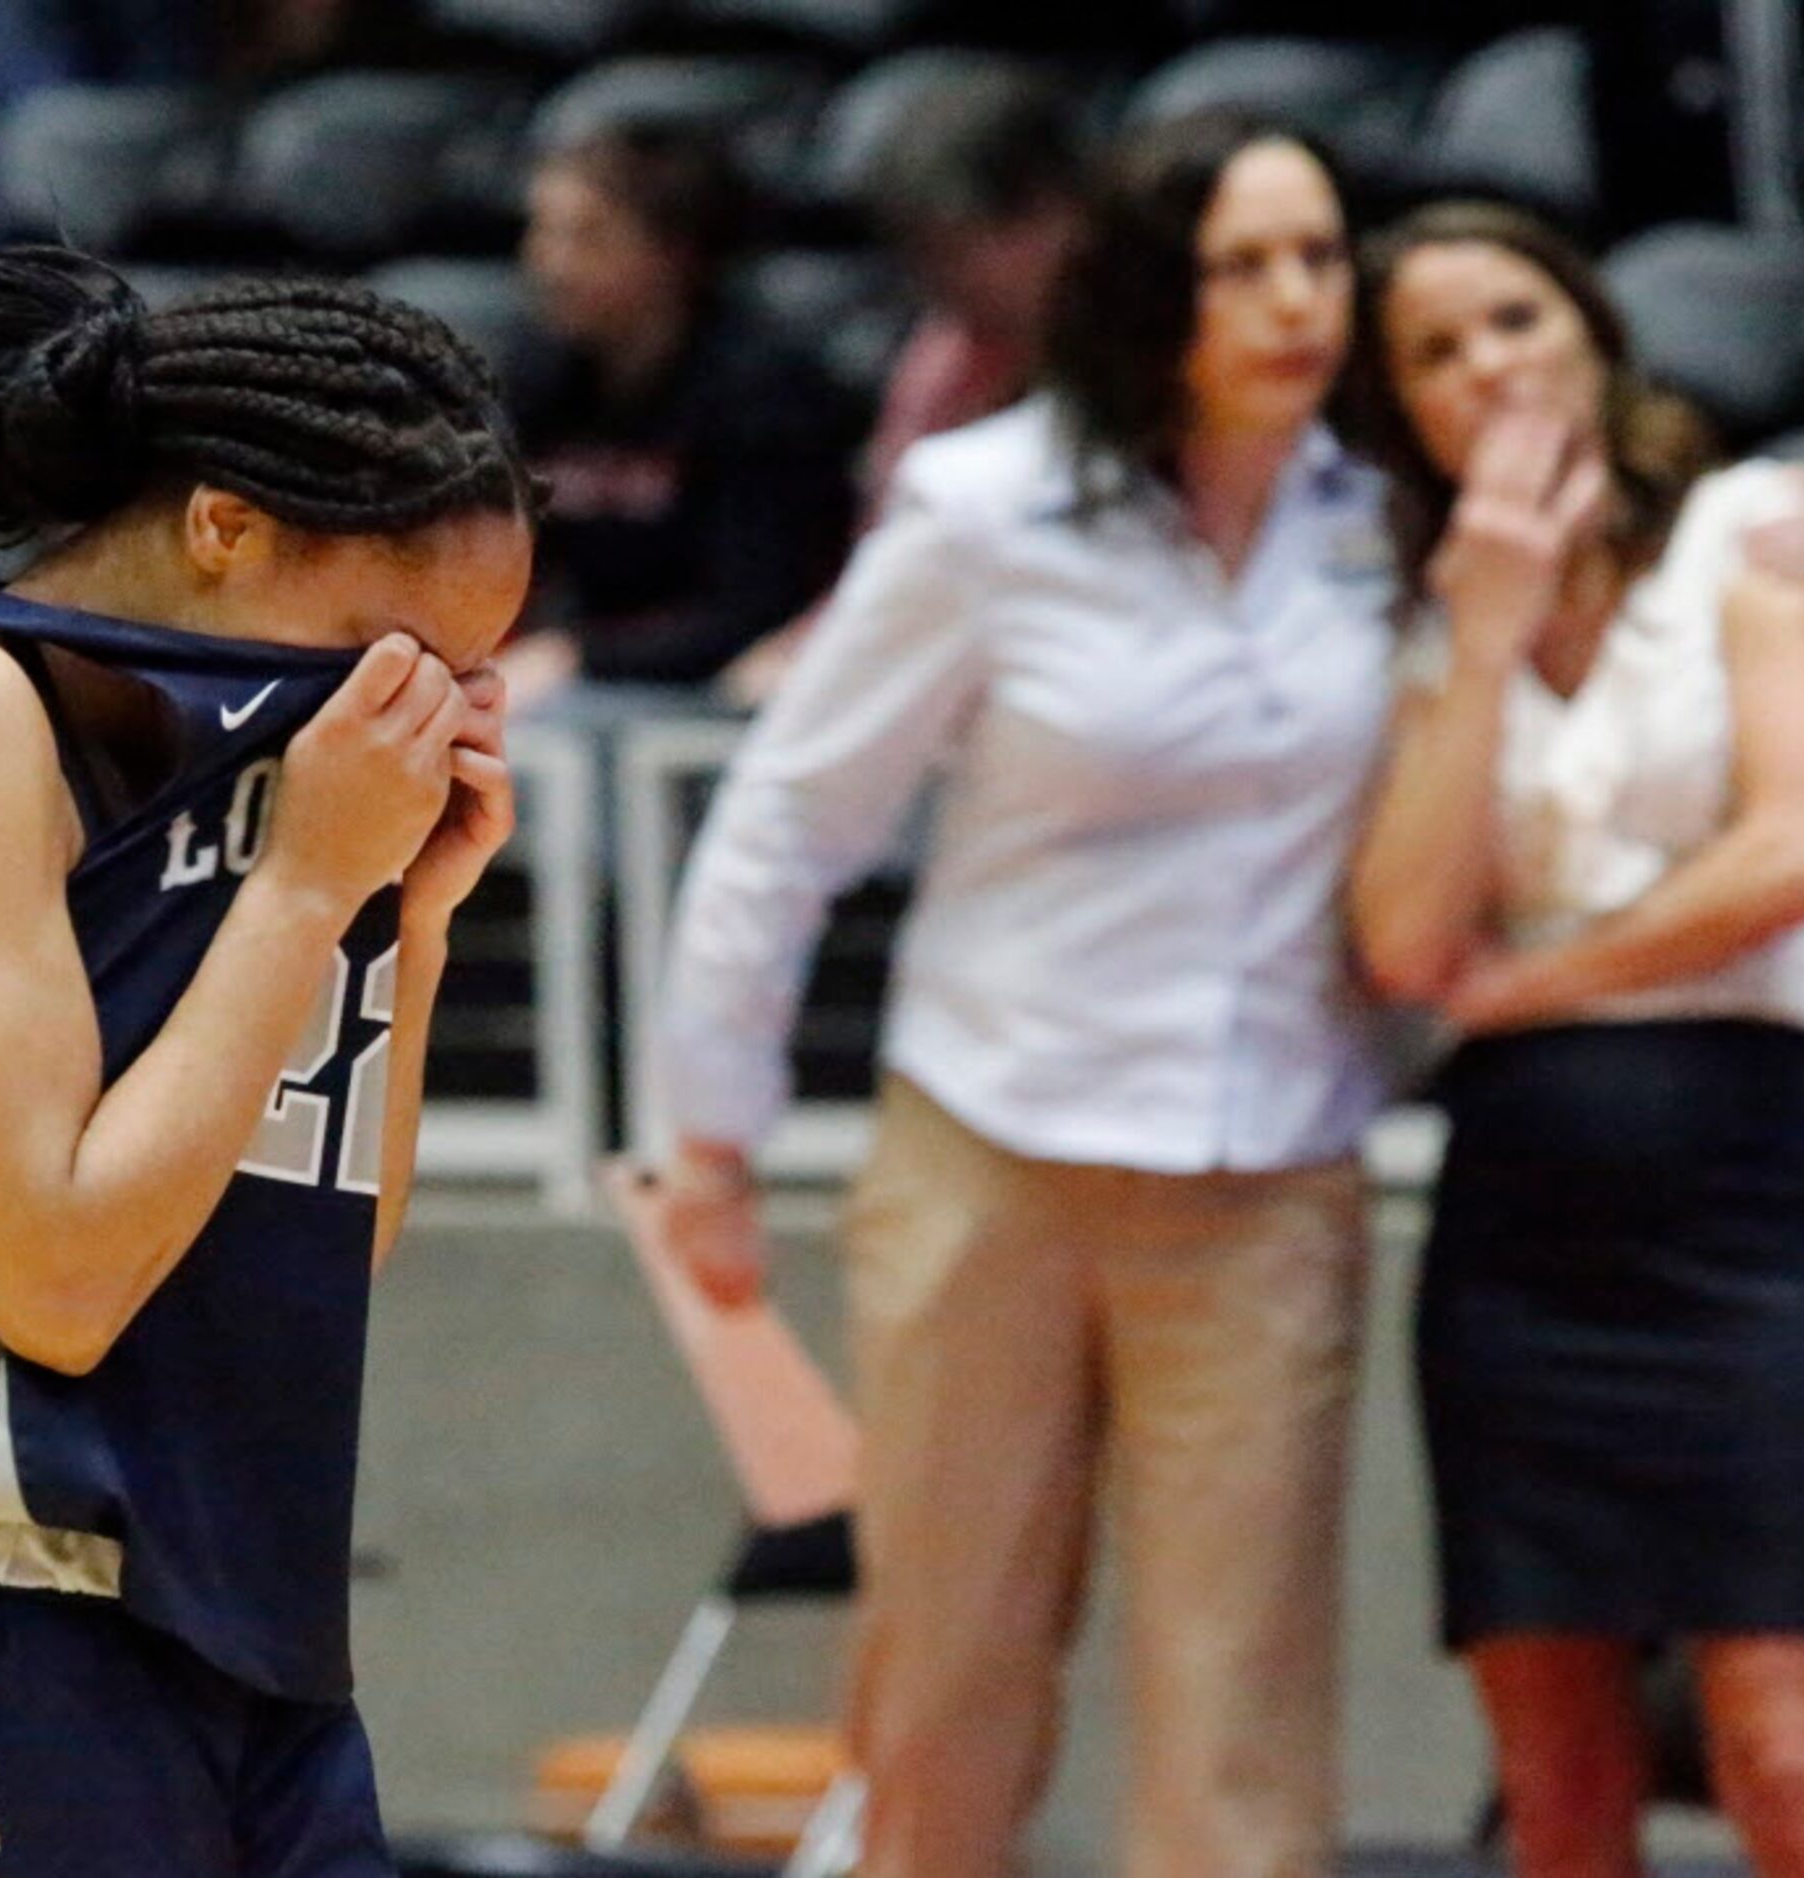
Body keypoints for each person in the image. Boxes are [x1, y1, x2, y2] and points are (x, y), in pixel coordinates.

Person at [652, 112, 1394, 1877]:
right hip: (991, 1154)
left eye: (1320, 256)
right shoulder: (985, 506)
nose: (1297, 301)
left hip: (1274, 1172)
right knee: (944, 1685)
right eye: (1242, 264)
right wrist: (713, 1134)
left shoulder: (1382, 512)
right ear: (1147, 289)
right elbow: (787, 818)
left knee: (1243, 1709)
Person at [0, 246, 532, 1876]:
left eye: (462, 672)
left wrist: (418, 912)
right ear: (223, 529)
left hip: (259, 1631)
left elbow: (311, 1240)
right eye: (392, 649)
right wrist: (312, 884)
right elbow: (59, 1276)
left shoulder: (284, 769)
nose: (420, 707)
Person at [1344, 199, 1804, 1878]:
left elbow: (1790, 857)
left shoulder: (1762, 528)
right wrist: (1495, 612)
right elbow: (1402, 937)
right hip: (1517, 1227)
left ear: (1591, 330)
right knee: (1552, 1766)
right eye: (1433, 352)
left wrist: (1533, 981)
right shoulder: (1425, 622)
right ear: (1405, 410)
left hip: (1747, 1192)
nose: (1484, 368)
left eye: (1512, 318)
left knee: (1786, 1743)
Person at [717, 63, 1091, 708]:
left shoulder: (1159, 352)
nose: (937, 280)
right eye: (920, 254)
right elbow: (890, 555)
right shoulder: (946, 356)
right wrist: (812, 649)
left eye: (953, 249)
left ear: (1056, 215)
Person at [499, 119, 862, 708]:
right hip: (579, 685)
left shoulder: (765, 392)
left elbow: (753, 610)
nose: (549, 263)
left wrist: (580, 655)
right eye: (542, 232)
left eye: (587, 238)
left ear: (673, 253)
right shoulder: (538, 376)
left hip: (739, 692)